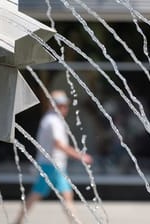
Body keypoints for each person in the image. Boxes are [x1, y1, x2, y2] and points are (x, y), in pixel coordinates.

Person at [15, 90, 93, 224]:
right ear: (54, 105)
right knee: (64, 196)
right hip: (52, 165)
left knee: (40, 195)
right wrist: (80, 156)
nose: (65, 108)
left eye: (65, 105)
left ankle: (18, 221)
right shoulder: (53, 121)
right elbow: (59, 145)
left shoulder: (50, 119)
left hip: (50, 164)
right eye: (61, 105)